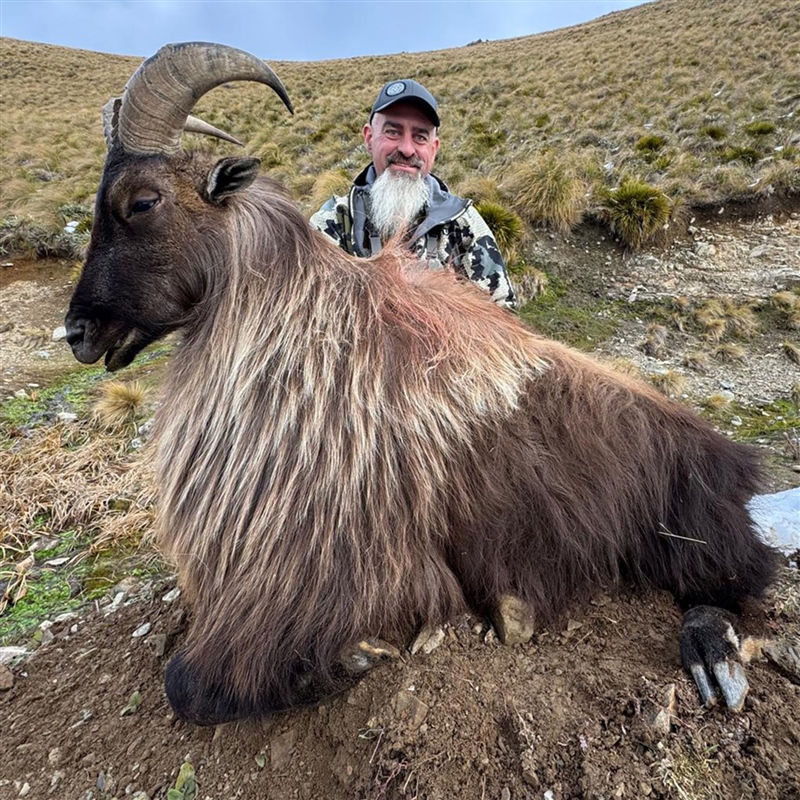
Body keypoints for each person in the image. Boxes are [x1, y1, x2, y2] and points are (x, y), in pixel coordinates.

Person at [310, 79, 516, 309]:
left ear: (433, 149)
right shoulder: (331, 225)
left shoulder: (463, 225)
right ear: (369, 138)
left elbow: (503, 314)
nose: (407, 149)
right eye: (392, 132)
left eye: (420, 137)